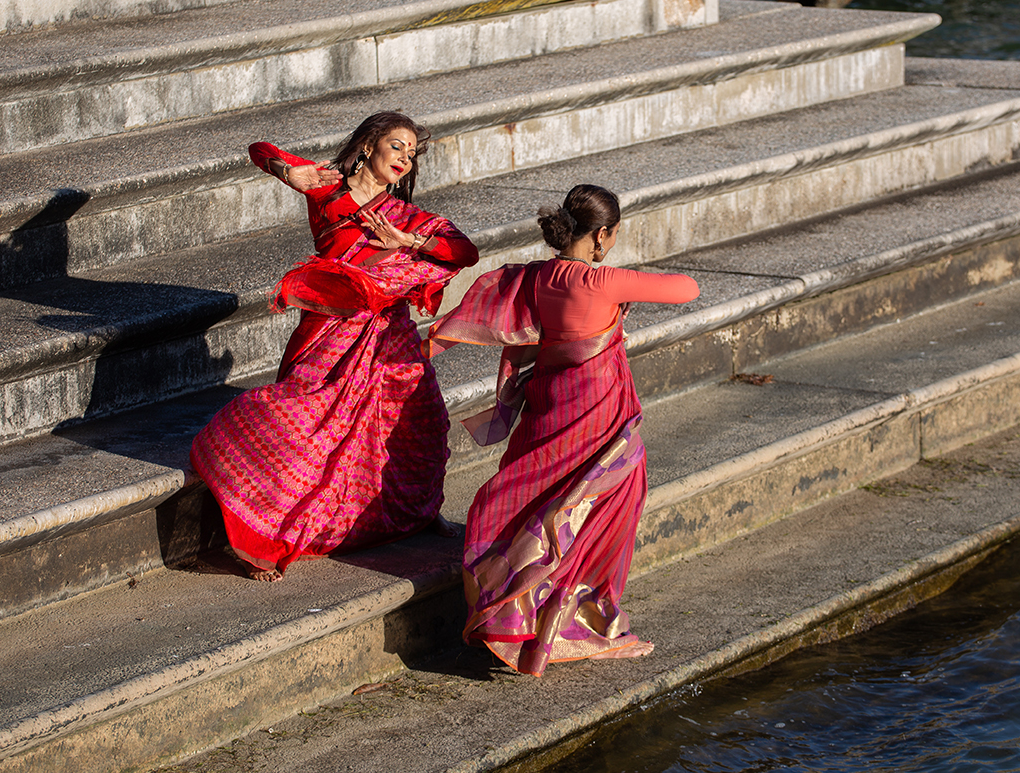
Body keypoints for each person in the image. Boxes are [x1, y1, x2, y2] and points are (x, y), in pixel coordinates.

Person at [191, 112, 479, 582]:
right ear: (368, 146)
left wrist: (407, 240)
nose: (405, 158)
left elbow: (464, 251)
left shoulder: (407, 216)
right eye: (397, 146)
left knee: (419, 424)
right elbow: (260, 149)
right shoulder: (329, 189)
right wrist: (289, 172)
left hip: (390, 336)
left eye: (412, 153)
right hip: (332, 328)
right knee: (303, 423)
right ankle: (267, 534)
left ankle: (420, 513)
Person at [426, 184, 699, 675]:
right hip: (595, 407)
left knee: (543, 497)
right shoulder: (602, 282)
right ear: (602, 235)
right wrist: (618, 279)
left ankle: (525, 617)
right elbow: (686, 289)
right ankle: (576, 624)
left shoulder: (537, 277)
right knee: (600, 503)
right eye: (611, 237)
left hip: (549, 400)